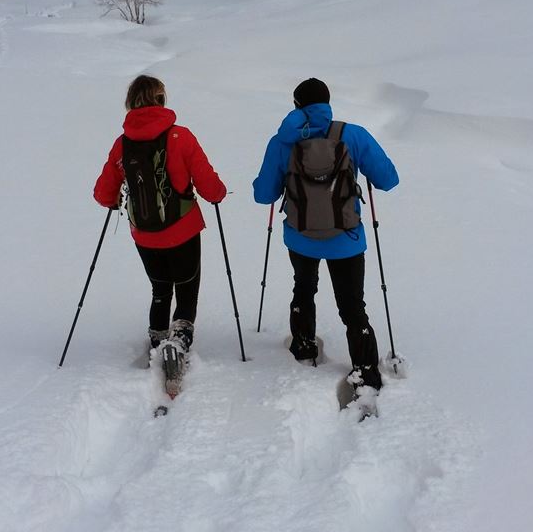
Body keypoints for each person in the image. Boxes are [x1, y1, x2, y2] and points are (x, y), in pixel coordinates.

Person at [253, 78, 399, 418]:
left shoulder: (282, 141)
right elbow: (389, 180)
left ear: (296, 106)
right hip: (346, 239)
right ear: (328, 104)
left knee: (303, 288)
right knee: (353, 306)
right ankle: (366, 370)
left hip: (300, 236)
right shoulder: (353, 135)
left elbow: (264, 195)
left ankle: (304, 347)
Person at [94, 75, 226, 366]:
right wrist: (219, 193)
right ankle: (179, 340)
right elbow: (208, 186)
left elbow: (103, 193)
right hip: (183, 230)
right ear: (161, 99)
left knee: (160, 288)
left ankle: (158, 338)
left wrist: (114, 200)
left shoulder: (122, 144)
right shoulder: (181, 137)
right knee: (187, 286)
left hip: (144, 234)